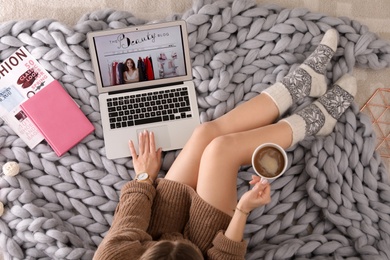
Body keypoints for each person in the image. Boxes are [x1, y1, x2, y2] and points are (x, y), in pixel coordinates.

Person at [93, 29, 357, 259]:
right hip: (203, 242)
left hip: (158, 224)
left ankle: (301, 82)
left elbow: (127, 222)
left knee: (204, 134)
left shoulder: (111, 257)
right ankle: (313, 121)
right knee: (221, 150)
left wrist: (143, 178)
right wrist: (242, 209)